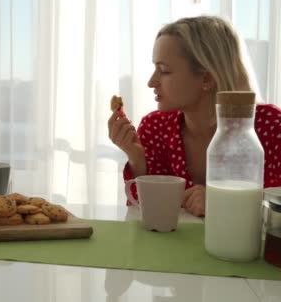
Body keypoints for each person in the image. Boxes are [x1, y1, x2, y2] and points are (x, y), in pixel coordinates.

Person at [108, 15, 281, 217]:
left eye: (163, 70)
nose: (151, 82)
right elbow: (147, 214)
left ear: (206, 77)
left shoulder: (270, 126)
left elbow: (276, 210)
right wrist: (137, 159)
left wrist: (223, 203)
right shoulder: (155, 127)